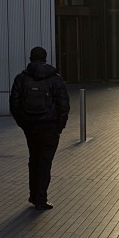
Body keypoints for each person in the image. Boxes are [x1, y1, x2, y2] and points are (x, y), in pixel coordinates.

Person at [9, 47, 70, 211]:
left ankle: (34, 195)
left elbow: (14, 103)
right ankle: (40, 199)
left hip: (30, 127)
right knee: (44, 162)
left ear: (30, 58)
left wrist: (23, 123)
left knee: (33, 160)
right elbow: (63, 105)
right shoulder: (55, 79)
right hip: (49, 127)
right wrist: (59, 127)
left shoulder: (21, 79)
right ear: (45, 59)